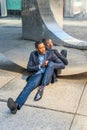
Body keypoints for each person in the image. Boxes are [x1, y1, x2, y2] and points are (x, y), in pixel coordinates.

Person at [7, 41, 65, 114]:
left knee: (50, 64)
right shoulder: (33, 54)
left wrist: (50, 64)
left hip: (48, 75)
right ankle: (16, 105)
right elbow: (29, 68)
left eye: (43, 47)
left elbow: (62, 65)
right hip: (38, 74)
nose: (43, 49)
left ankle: (41, 88)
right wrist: (40, 66)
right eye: (40, 48)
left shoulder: (51, 54)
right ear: (37, 49)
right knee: (28, 87)